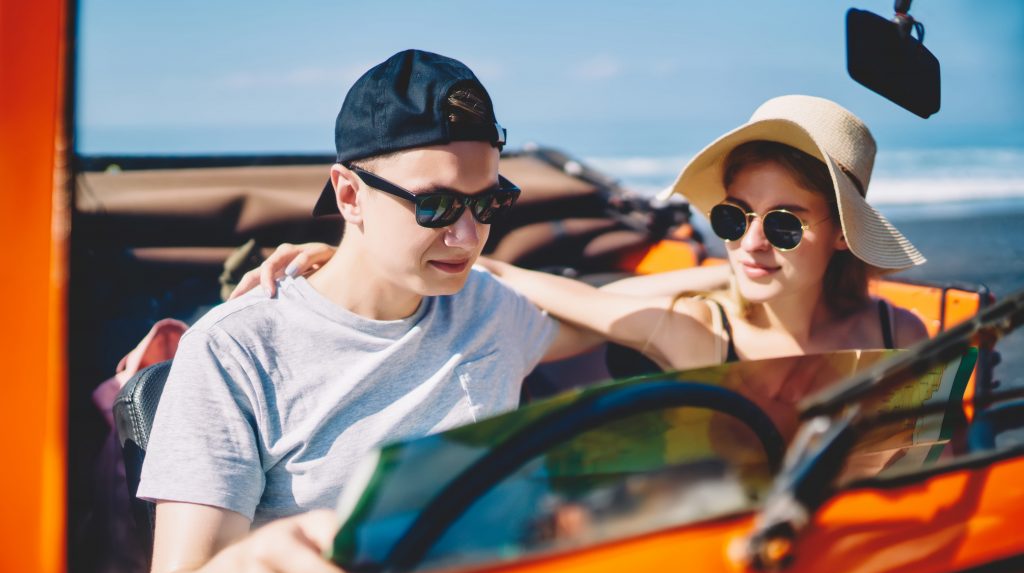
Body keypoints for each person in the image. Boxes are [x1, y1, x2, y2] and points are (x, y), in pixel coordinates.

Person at [137, 50, 595, 573]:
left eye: (487, 203)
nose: (468, 235)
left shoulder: (485, 305)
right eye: (435, 205)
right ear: (349, 195)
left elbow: (633, 314)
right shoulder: (237, 349)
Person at [260, 94, 929, 395]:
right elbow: (566, 299)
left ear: (842, 235)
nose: (751, 243)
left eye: (783, 225)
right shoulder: (697, 331)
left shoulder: (898, 333)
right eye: (732, 218)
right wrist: (363, 260)